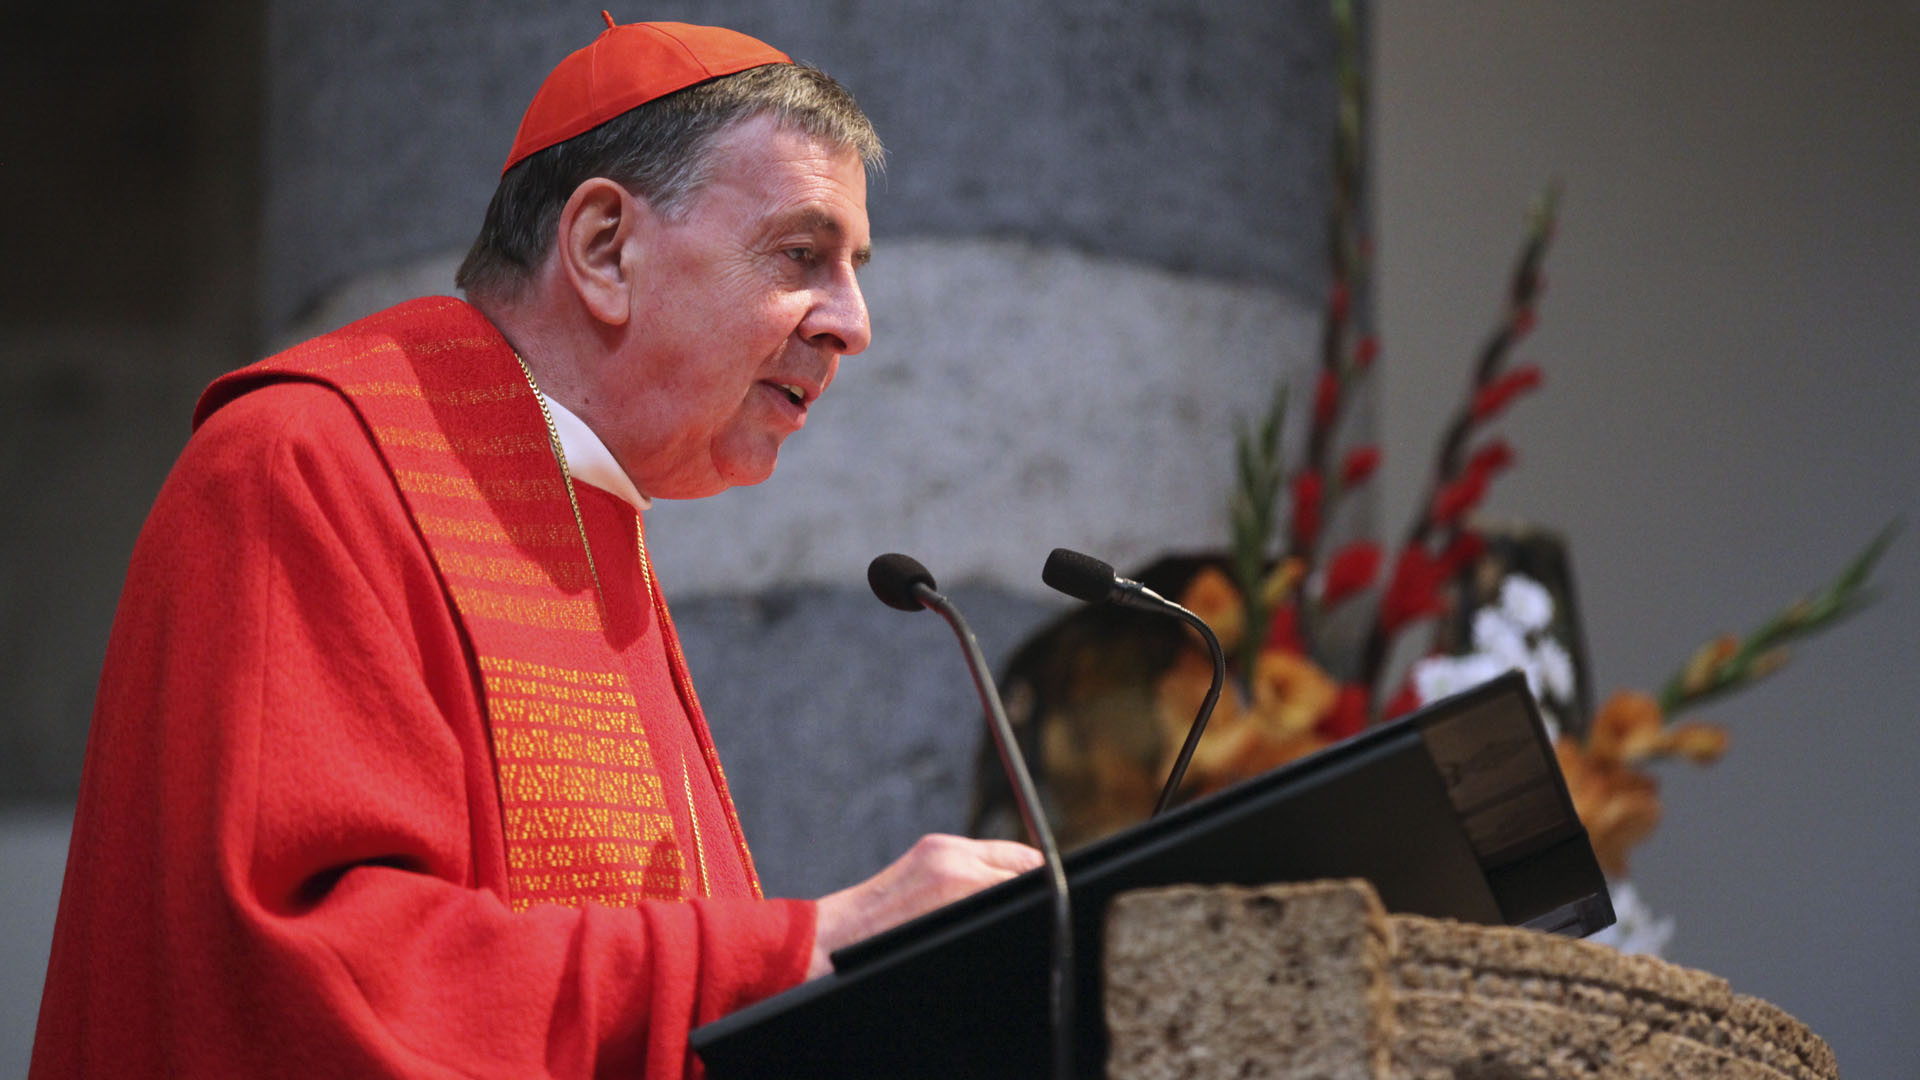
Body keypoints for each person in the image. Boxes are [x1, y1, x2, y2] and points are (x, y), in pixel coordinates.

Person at [31, 18, 1040, 1079]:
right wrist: (806, 947)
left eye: (855, 268)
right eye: (802, 254)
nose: (853, 322)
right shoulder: (305, 463)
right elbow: (309, 969)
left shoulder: (592, 522)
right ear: (605, 248)